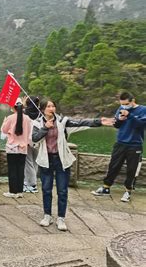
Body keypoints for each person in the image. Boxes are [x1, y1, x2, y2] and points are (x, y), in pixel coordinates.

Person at [32, 99, 112, 231]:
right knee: (46, 189)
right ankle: (47, 216)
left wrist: (99, 122)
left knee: (62, 190)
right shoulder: (37, 123)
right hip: (45, 161)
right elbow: (34, 138)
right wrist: (45, 128)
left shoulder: (63, 122)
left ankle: (61, 218)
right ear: (42, 110)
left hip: (61, 160)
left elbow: (81, 122)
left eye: (53, 106)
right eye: (48, 106)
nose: (51, 108)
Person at [92, 92, 145, 202]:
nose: (124, 106)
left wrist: (129, 115)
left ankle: (128, 191)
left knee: (132, 169)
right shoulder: (120, 108)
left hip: (135, 144)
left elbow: (141, 125)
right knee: (113, 166)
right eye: (122, 104)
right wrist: (119, 120)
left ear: (133, 100)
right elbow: (116, 125)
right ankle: (106, 188)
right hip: (120, 142)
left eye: (126, 104)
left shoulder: (143, 110)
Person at [1, 98, 33, 198]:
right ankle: (19, 191)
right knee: (20, 169)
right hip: (23, 147)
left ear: (12, 107)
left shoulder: (10, 118)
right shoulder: (28, 119)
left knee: (12, 169)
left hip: (12, 147)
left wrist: (4, 122)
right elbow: (29, 133)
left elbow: (4, 130)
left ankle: (12, 191)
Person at [23, 97, 40, 193]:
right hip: (38, 140)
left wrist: (24, 104)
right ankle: (31, 182)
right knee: (35, 162)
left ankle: (31, 184)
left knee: (28, 162)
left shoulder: (25, 113)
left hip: (27, 140)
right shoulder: (40, 113)